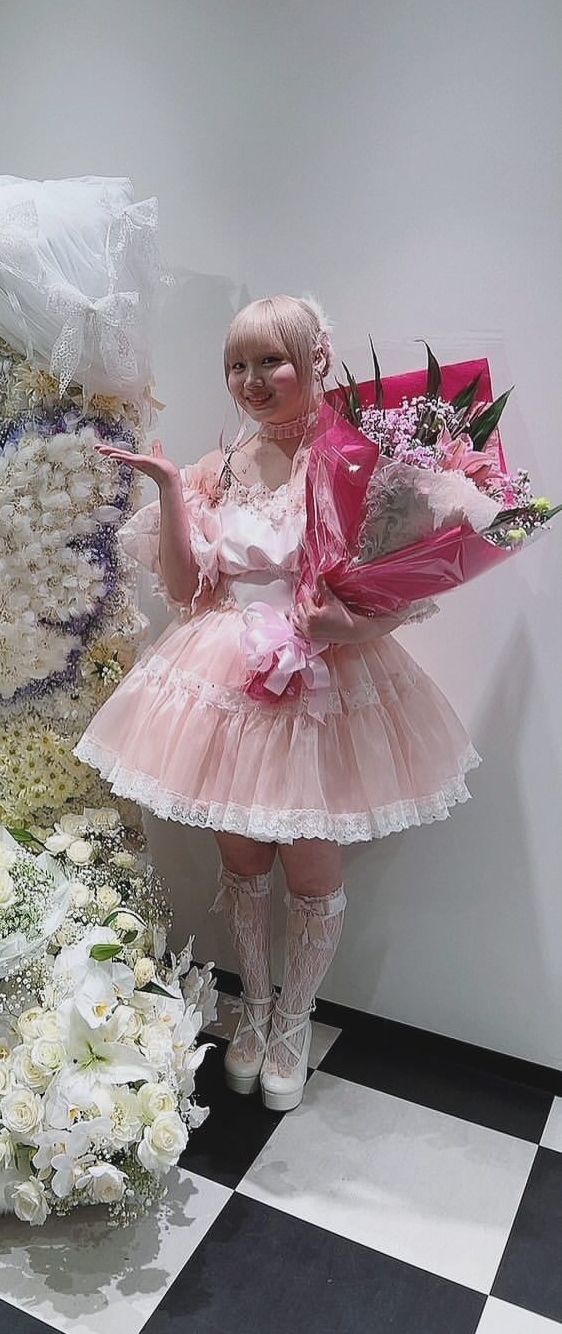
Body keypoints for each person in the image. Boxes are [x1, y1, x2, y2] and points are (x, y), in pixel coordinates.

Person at [74, 295, 478, 1111]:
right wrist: (171, 489)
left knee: (312, 869)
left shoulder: (358, 460)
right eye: (238, 365)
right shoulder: (220, 466)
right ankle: (254, 1009)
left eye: (271, 361)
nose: (251, 381)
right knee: (244, 862)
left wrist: (346, 624)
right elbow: (186, 590)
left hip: (323, 682)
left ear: (315, 360)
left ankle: (296, 1018)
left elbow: (405, 589)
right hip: (228, 680)